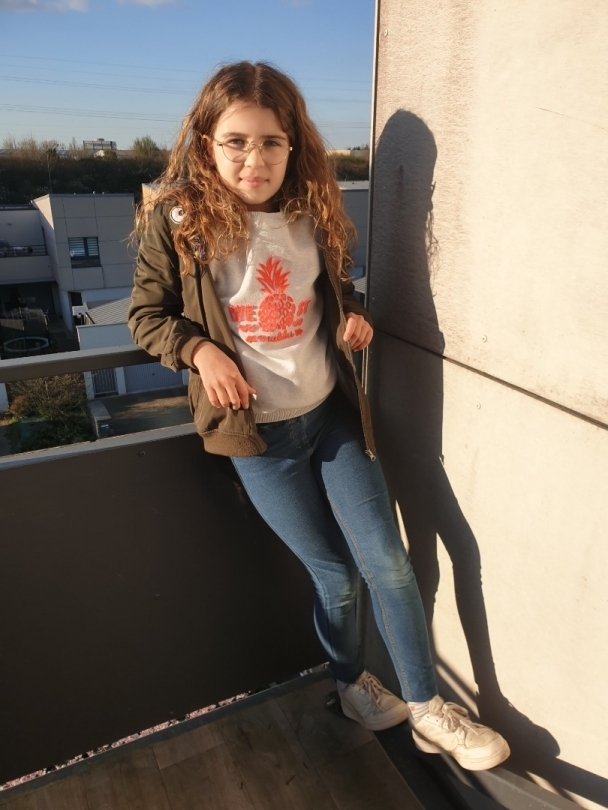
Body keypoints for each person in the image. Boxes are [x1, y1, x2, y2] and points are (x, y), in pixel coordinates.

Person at [128, 61, 510, 772]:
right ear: (207, 143)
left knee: (389, 562)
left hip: (331, 418)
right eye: (236, 142)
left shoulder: (312, 209)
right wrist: (200, 351)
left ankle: (428, 709)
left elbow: (336, 291)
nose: (255, 160)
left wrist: (353, 315)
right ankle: (352, 685)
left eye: (272, 142)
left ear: (293, 144)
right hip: (258, 438)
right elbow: (147, 315)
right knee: (335, 575)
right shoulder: (177, 220)